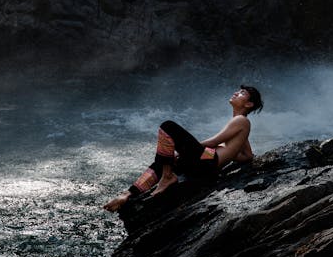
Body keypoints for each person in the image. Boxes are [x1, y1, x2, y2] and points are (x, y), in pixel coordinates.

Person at [103, 85, 263, 212]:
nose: (236, 93)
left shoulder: (241, 120)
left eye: (241, 93)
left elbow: (214, 142)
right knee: (166, 160)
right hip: (209, 164)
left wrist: (187, 151)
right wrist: (226, 155)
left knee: (168, 127)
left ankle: (166, 177)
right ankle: (127, 194)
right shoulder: (240, 122)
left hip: (208, 163)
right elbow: (247, 156)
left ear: (249, 104)